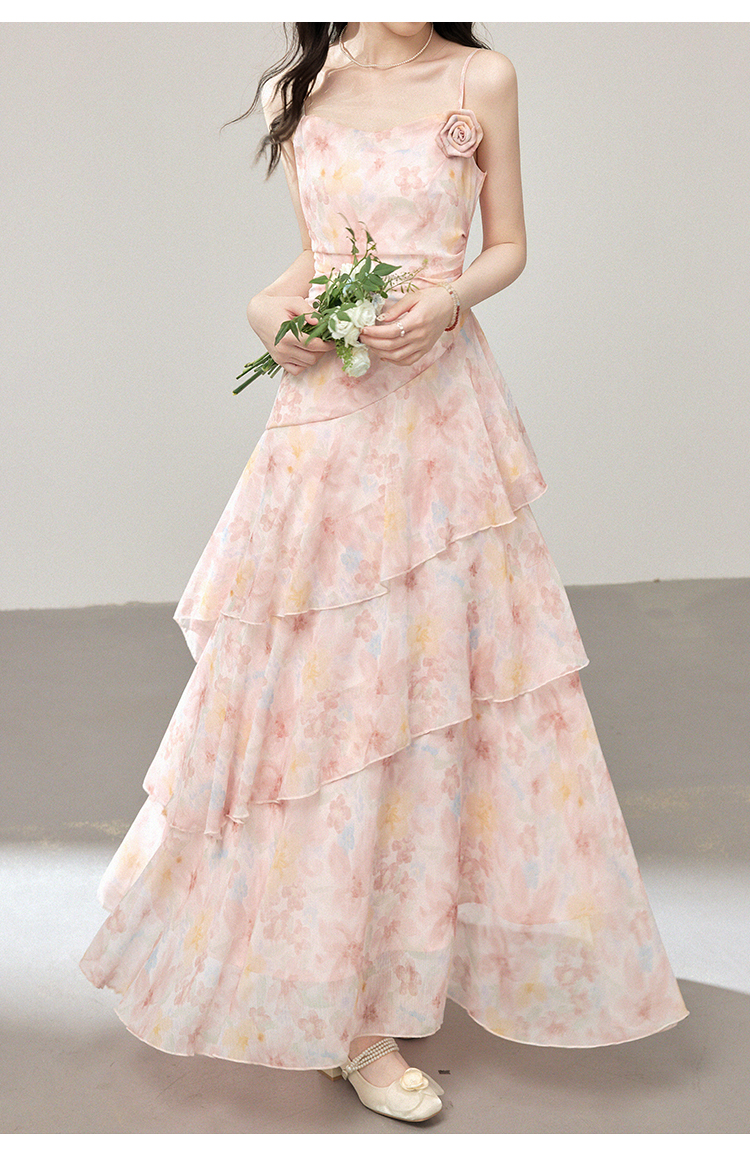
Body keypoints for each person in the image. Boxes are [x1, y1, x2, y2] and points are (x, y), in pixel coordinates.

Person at [80, 22, 689, 1126]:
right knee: (326, 706)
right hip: (330, 419)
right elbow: (315, 261)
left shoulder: (480, 76)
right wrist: (270, 314)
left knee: (438, 690)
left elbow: (508, 242)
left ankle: (402, 965)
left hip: (442, 423)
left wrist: (449, 300)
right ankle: (342, 1002)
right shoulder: (302, 88)